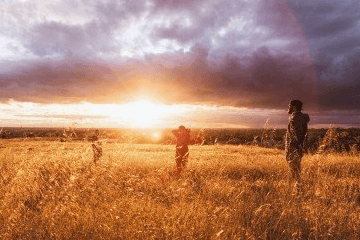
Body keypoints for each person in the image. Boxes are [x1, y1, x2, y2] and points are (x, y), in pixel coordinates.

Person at [285, 100, 310, 193]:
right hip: (298, 147)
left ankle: (293, 191)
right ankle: (297, 190)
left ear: (294, 106)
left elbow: (296, 135)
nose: (288, 107)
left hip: (294, 147)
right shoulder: (301, 118)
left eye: (290, 105)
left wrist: (294, 147)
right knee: (296, 169)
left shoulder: (295, 118)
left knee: (294, 169)